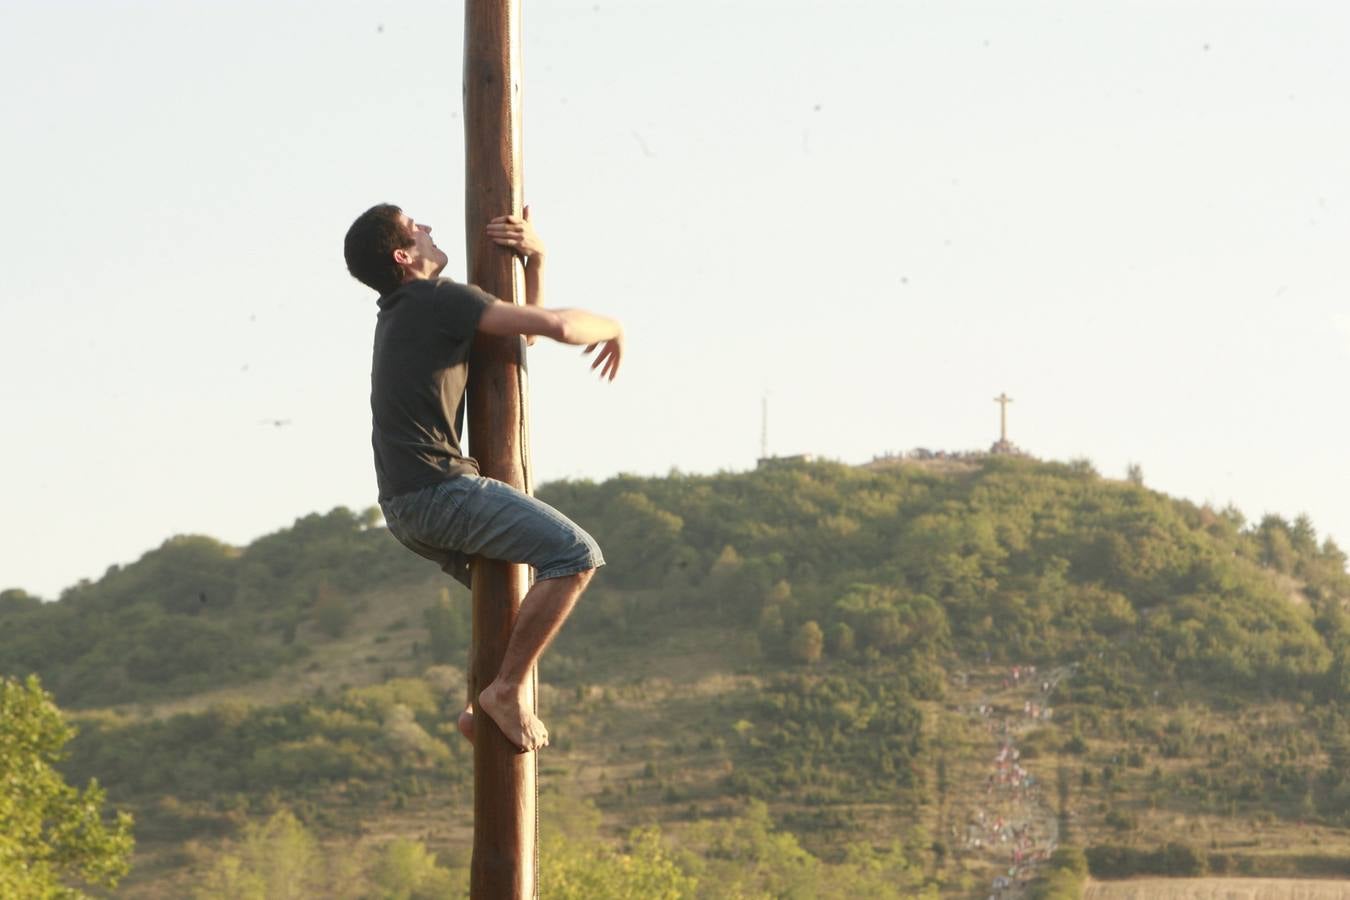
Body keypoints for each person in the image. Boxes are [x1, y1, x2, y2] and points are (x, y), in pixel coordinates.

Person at [343, 203, 623, 752]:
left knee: (507, 597)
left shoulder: (409, 310)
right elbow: (559, 327)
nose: (428, 228)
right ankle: (506, 690)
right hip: (438, 490)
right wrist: (615, 327)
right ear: (403, 255)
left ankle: (480, 705)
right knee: (575, 554)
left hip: (406, 507)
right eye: (415, 227)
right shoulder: (435, 298)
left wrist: (535, 261)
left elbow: (518, 339)